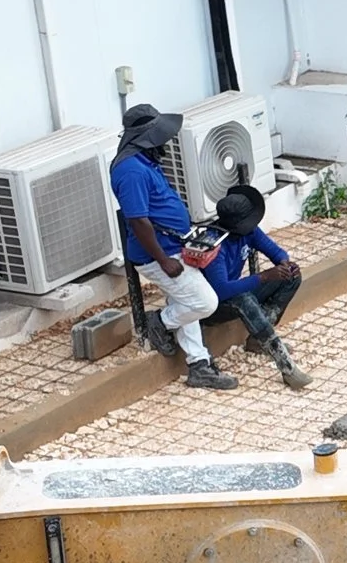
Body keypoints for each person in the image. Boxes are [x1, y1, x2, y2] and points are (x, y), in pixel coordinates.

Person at [110, 105, 236, 391]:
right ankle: (157, 322)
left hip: (174, 244)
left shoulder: (143, 160)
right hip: (160, 254)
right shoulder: (131, 170)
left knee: (187, 300)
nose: (164, 142)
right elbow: (139, 221)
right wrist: (164, 260)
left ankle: (198, 364)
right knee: (204, 302)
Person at [198, 184, 307, 390]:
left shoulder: (248, 232)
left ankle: (257, 341)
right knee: (243, 298)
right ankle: (284, 363)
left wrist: (284, 264)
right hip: (212, 306)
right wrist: (263, 277)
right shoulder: (214, 243)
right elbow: (220, 290)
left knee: (292, 277)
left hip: (235, 293)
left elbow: (275, 251)